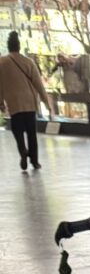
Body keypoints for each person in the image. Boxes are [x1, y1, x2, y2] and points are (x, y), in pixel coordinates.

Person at [0, 31, 50, 172]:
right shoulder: (28, 62)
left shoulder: (2, 62)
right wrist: (46, 102)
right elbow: (38, 84)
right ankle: (35, 161)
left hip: (14, 103)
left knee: (18, 131)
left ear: (8, 46)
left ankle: (23, 150)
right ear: (19, 46)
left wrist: (1, 102)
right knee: (31, 133)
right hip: (29, 102)